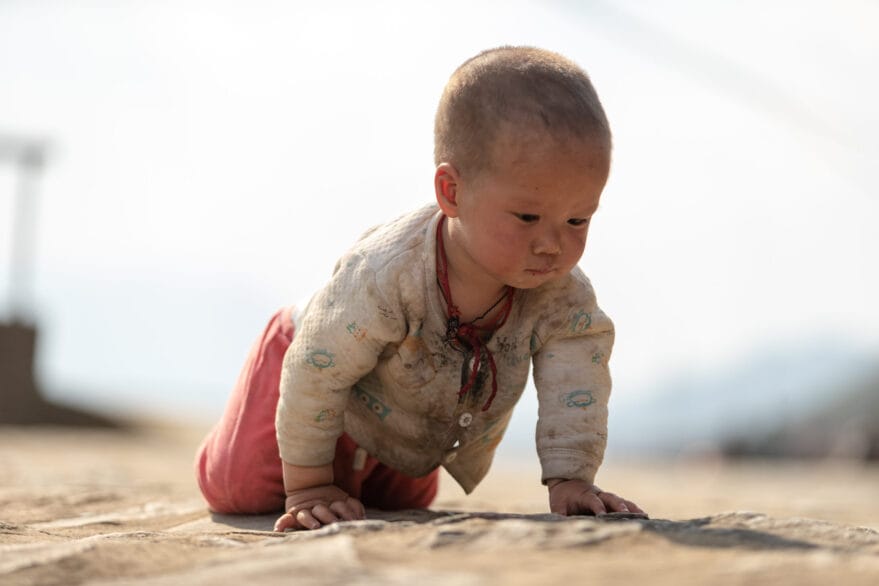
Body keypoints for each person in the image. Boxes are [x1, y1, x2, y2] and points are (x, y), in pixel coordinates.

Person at [195, 45, 646, 531]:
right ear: (452, 193)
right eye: (528, 217)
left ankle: (349, 473)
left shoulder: (562, 297)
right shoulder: (387, 272)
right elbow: (314, 372)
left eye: (578, 219)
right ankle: (261, 452)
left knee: (391, 499)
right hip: (313, 366)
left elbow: (576, 382)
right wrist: (308, 486)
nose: (552, 245)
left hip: (410, 425)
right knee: (242, 490)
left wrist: (571, 480)